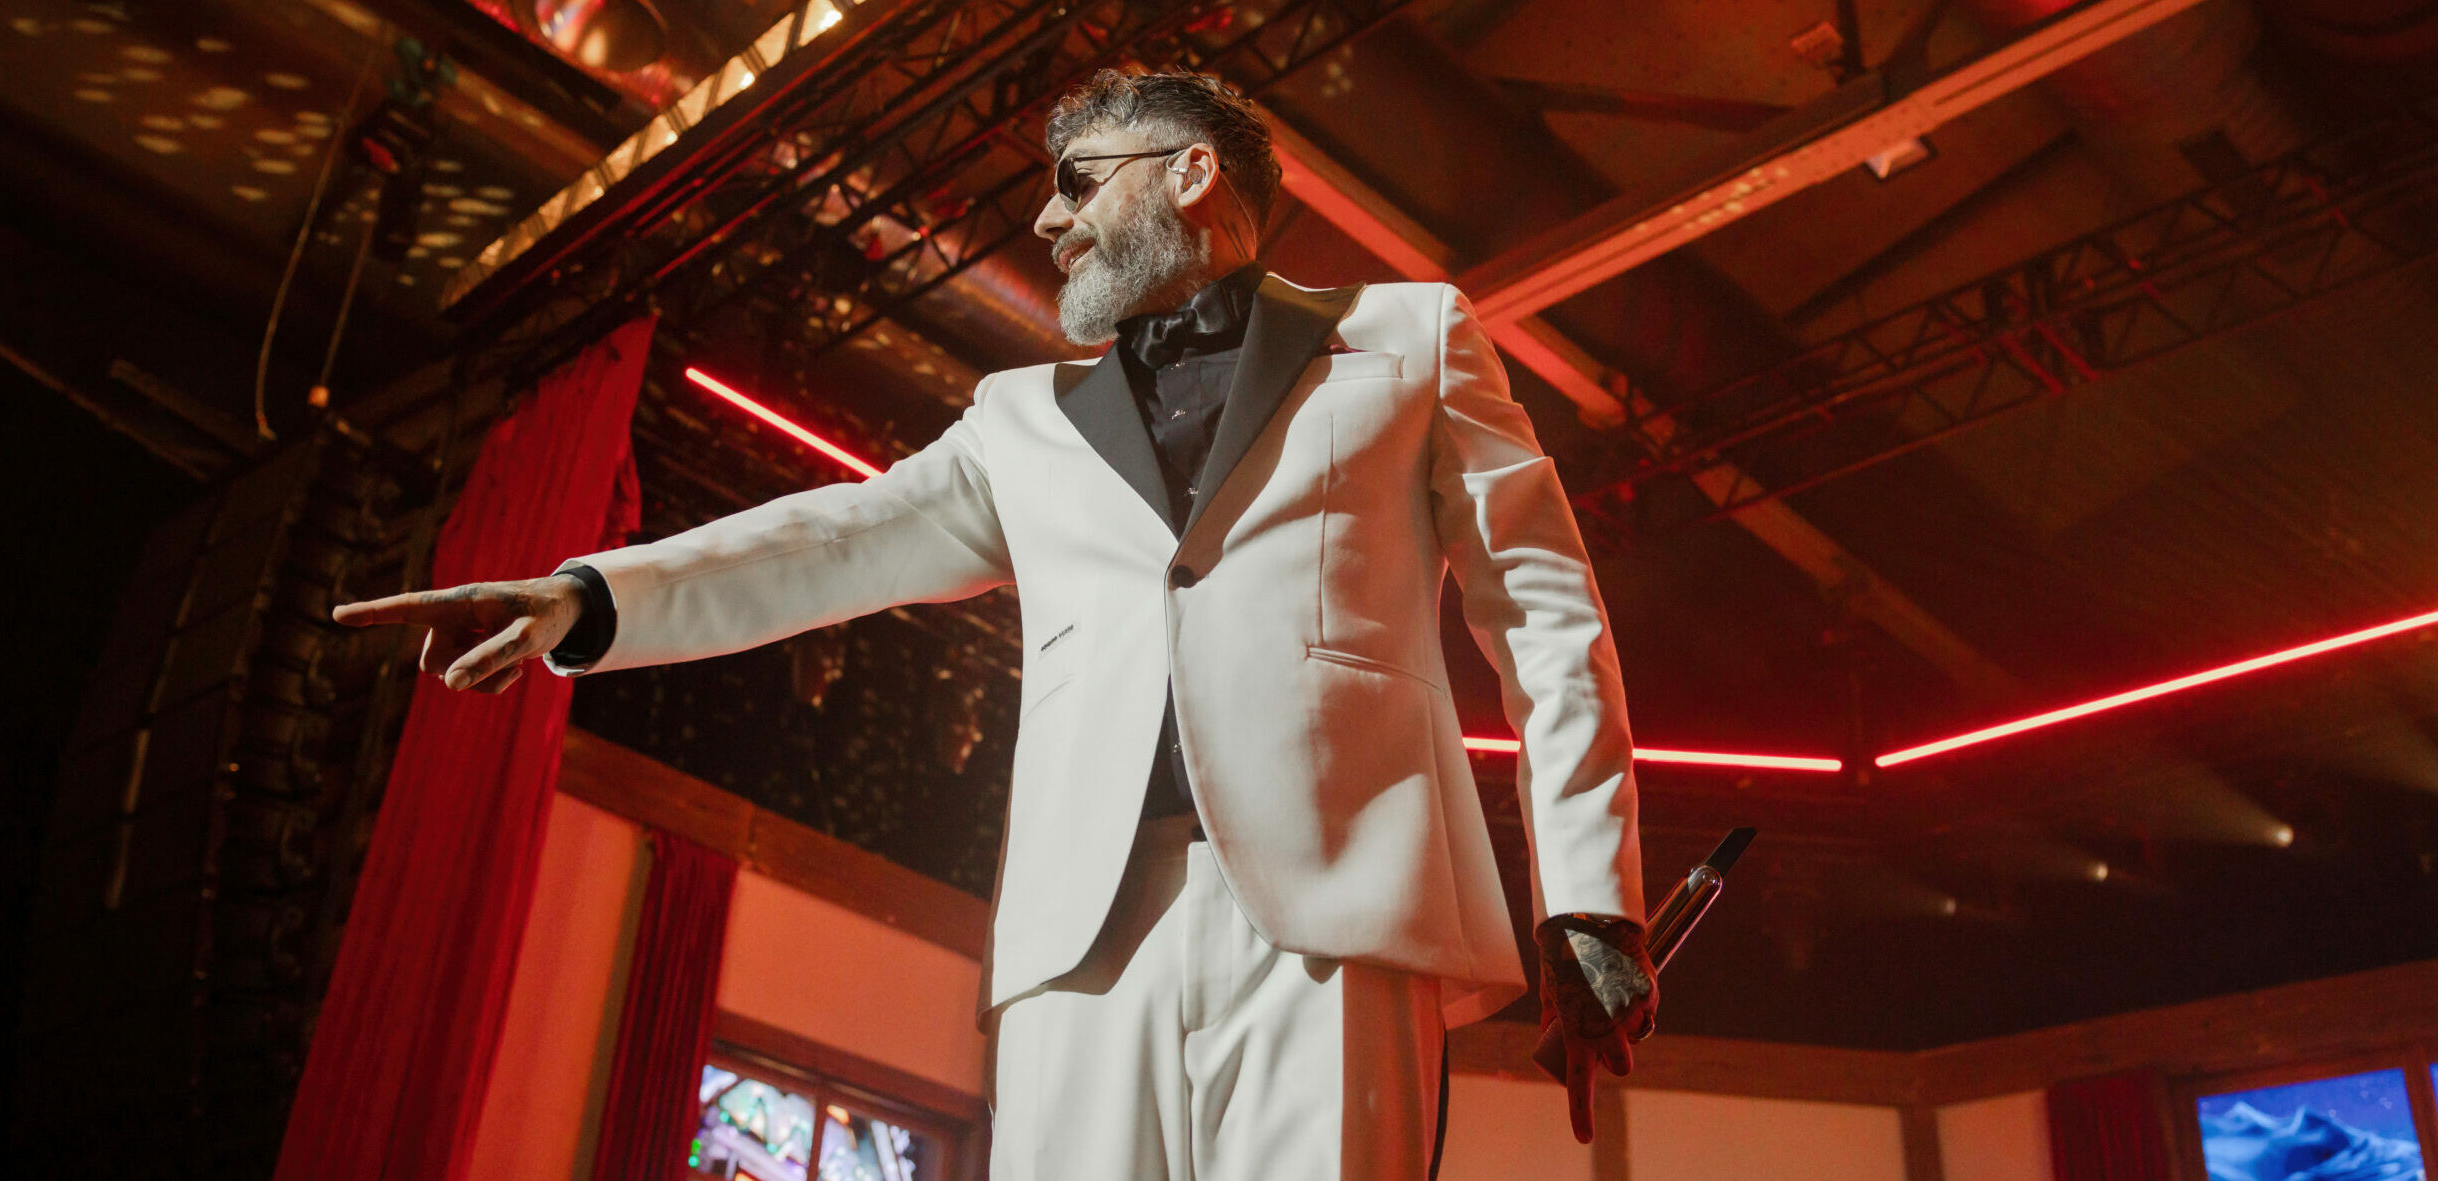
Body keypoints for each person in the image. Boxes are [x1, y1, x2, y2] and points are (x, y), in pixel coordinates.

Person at [334, 68, 1653, 1181]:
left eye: (1078, 180)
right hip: (1079, 938)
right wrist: (593, 594)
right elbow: (836, 539)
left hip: (1339, 918)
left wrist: (1591, 905)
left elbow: (1545, 615)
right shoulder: (1019, 419)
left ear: (1194, 173)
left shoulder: (1413, 341)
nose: (1047, 217)